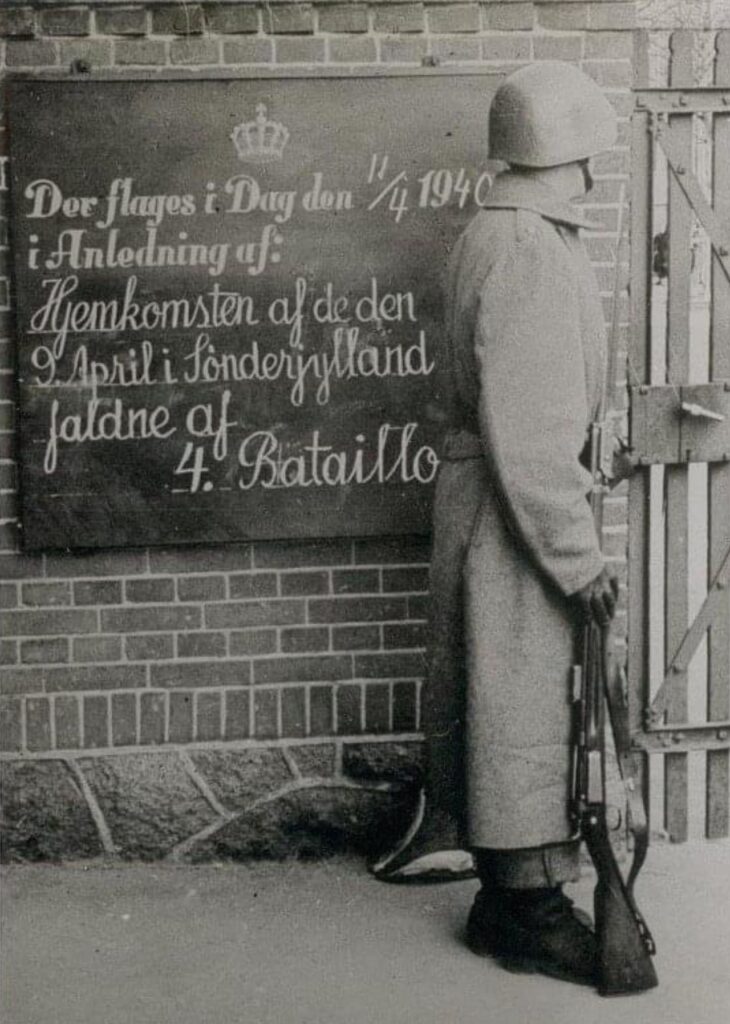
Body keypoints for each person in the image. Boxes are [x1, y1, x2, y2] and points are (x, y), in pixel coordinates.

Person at [372, 62, 622, 987]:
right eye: (584, 155)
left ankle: (507, 896)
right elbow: (534, 426)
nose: (592, 175)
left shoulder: (500, 232)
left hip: (491, 502)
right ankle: (527, 907)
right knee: (520, 706)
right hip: (517, 514)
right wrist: (578, 554)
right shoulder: (527, 249)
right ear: (554, 154)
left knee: (505, 700)